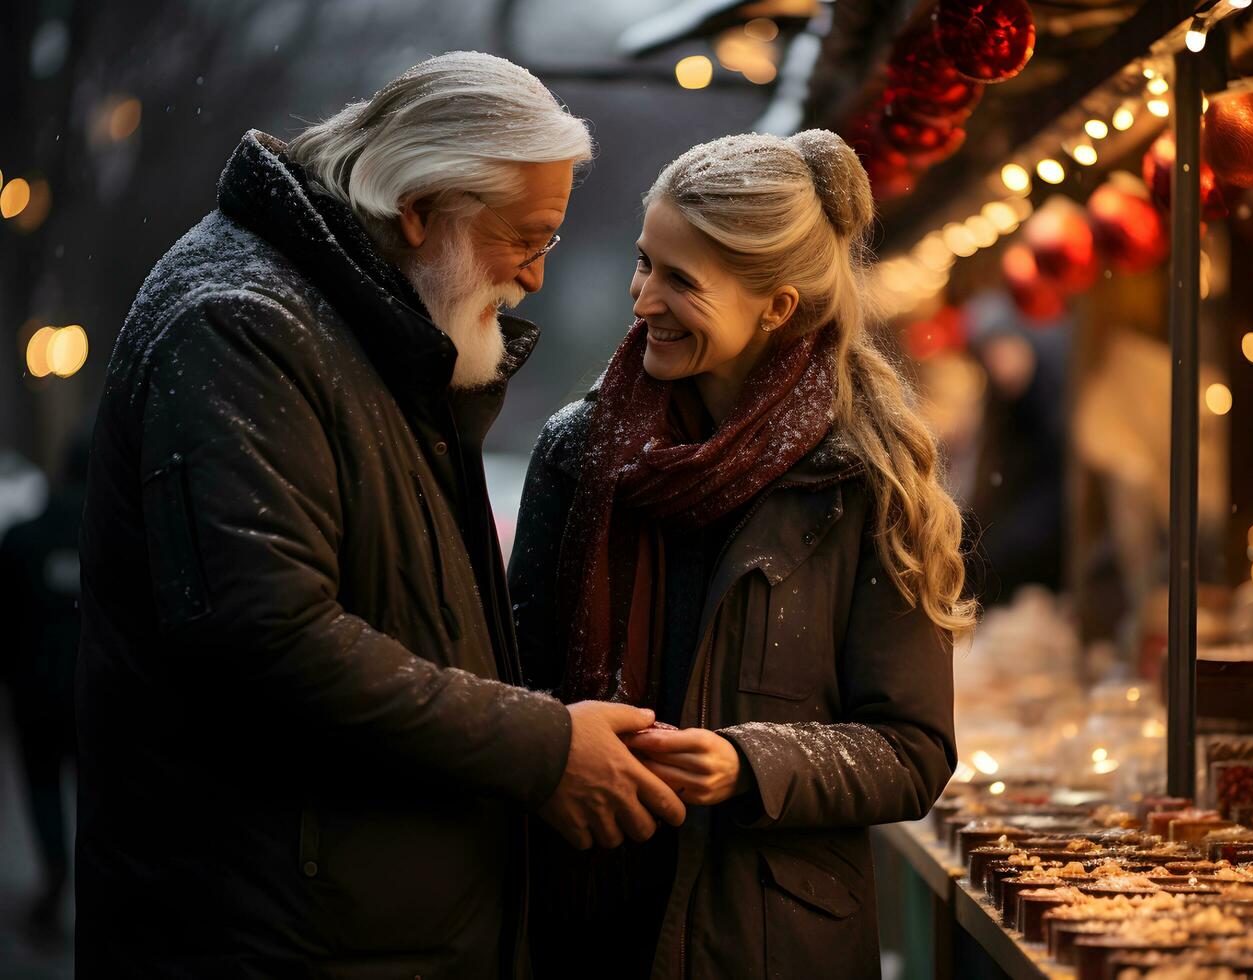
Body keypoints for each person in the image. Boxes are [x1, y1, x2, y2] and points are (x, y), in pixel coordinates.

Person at [76, 51, 683, 978]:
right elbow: (269, 636)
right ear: (420, 211)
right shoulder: (244, 323)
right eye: (528, 238)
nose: (535, 277)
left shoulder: (348, 323)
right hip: (280, 936)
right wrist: (544, 747)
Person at [509, 130, 968, 979]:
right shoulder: (578, 453)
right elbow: (509, 679)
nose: (644, 300)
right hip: (584, 925)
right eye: (644, 263)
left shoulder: (863, 478)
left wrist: (751, 763)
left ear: (778, 308)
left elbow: (913, 750)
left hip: (766, 944)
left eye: (682, 281)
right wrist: (558, 744)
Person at [0, 437, 87, 939]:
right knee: (96, 789)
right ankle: (90, 881)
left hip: (34, 692)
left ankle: (55, 869)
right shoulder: (114, 538)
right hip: (93, 695)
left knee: (42, 789)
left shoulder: (22, 539)